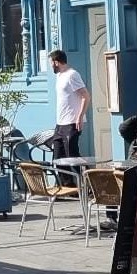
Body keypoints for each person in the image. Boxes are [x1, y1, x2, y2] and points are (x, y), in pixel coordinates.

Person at [49, 50, 89, 185]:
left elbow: (85, 96)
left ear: (56, 62)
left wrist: (80, 117)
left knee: (72, 157)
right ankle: (68, 188)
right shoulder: (59, 76)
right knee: (58, 158)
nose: (51, 66)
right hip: (60, 123)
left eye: (51, 63)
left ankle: (90, 184)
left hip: (72, 122)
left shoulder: (72, 75)